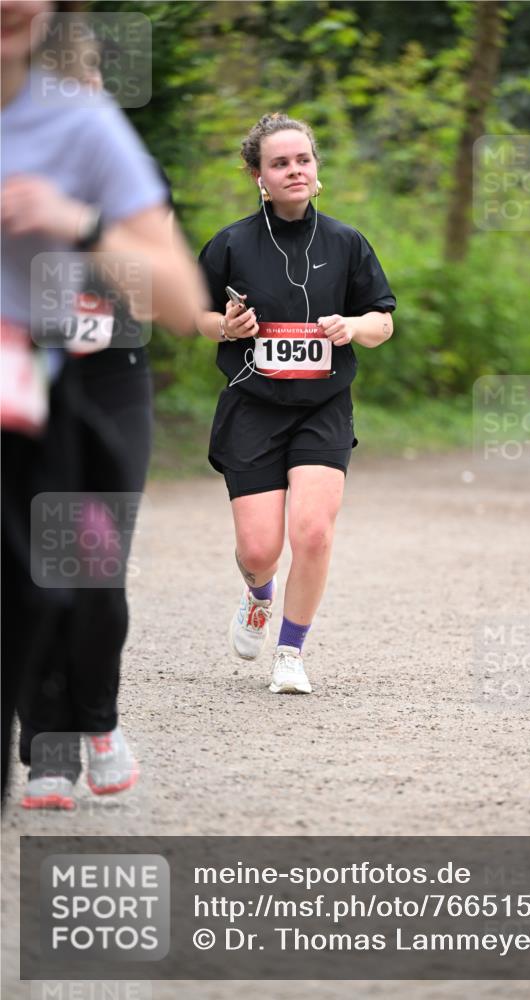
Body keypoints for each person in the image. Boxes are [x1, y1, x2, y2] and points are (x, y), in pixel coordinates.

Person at [1, 0, 206, 807]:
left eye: (88, 78)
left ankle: (99, 718)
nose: (78, 92)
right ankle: (48, 749)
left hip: (105, 384)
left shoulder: (106, 161)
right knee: (26, 577)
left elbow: (169, 296)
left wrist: (78, 227)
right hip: (23, 385)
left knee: (91, 572)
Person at [198, 112, 396, 694]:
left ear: (316, 168)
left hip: (322, 406)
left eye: (302, 160)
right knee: (260, 550)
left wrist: (352, 327)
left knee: (313, 532)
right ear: (258, 175)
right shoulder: (231, 243)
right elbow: (193, 315)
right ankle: (258, 594)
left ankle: (291, 651)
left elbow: (383, 322)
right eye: (279, 163)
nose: (293, 170)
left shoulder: (346, 242)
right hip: (252, 405)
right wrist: (226, 326)